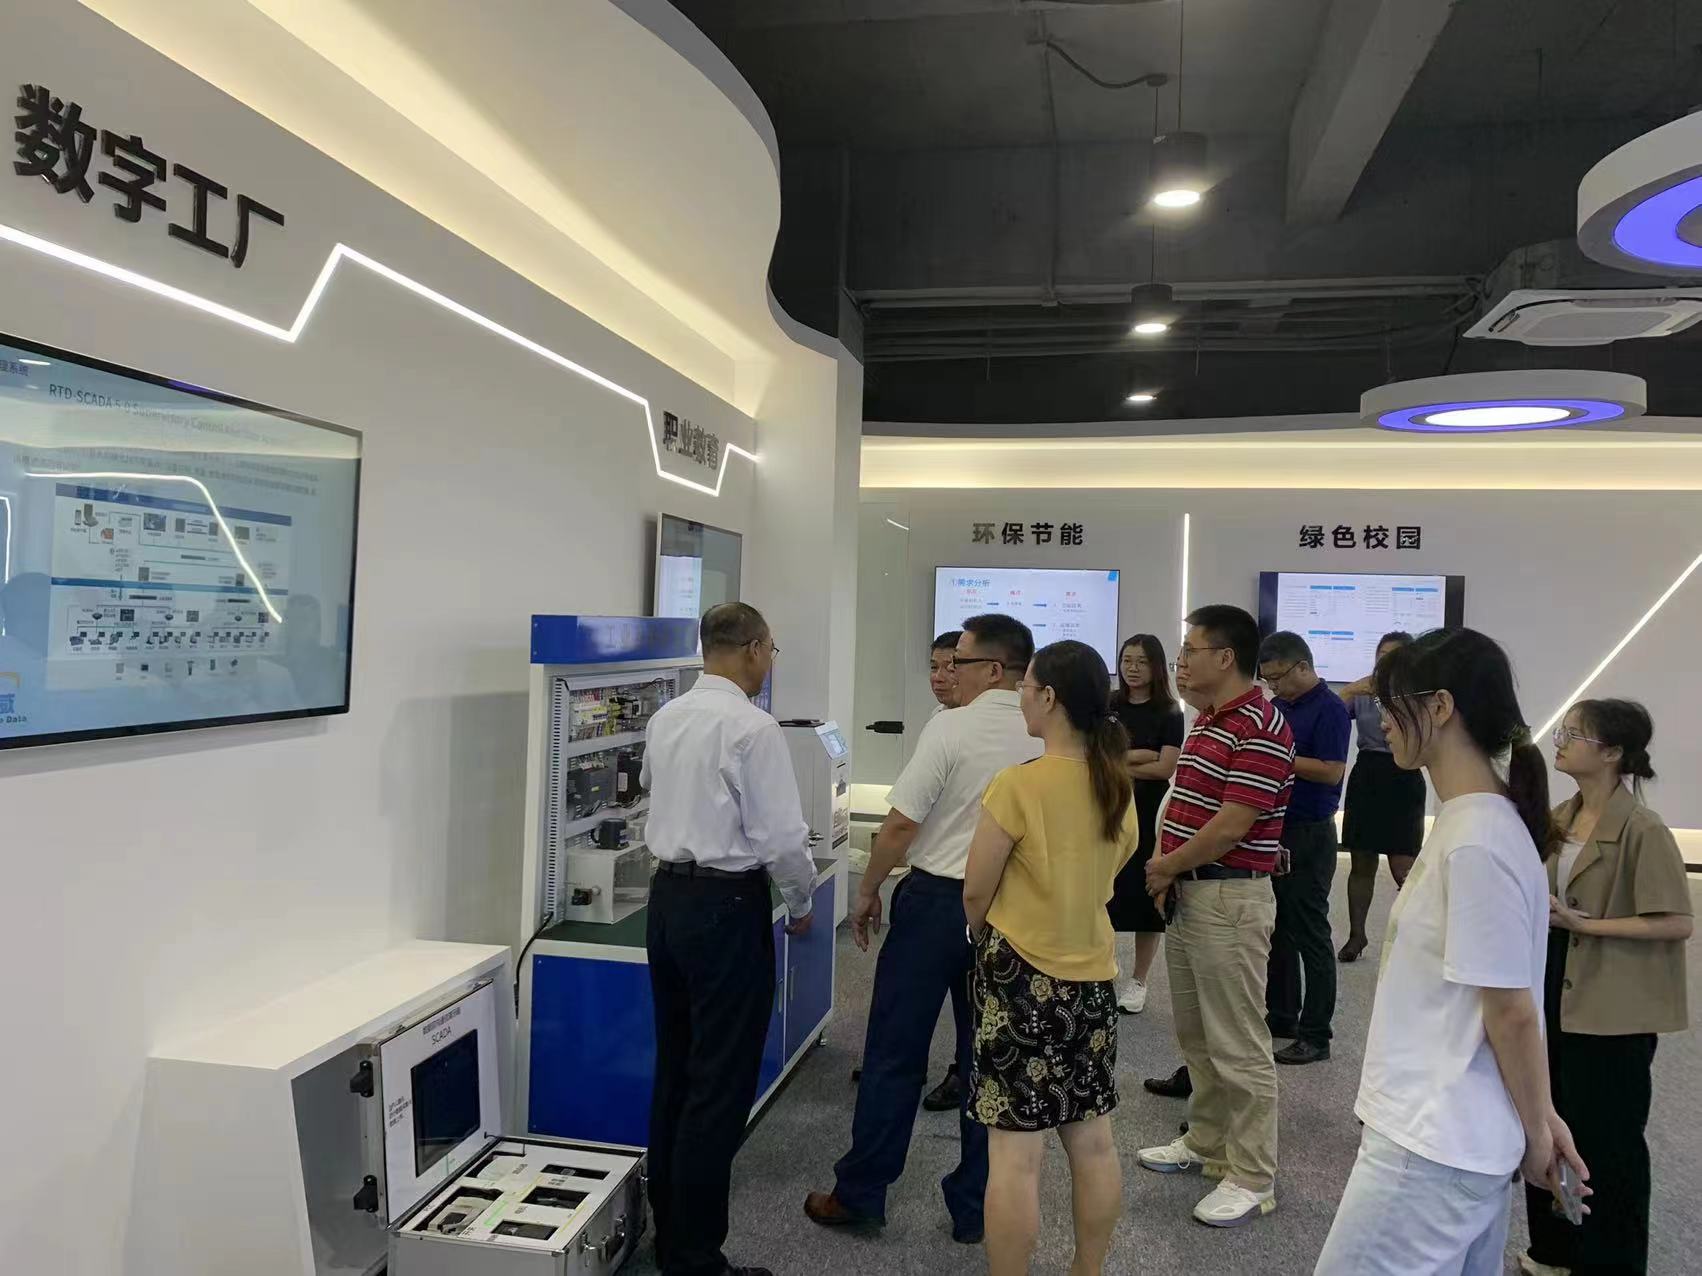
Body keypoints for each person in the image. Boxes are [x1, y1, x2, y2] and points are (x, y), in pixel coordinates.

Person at [1316, 628, 1588, 1276]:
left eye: (1391, 703)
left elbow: (1510, 1011)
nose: (1381, 719)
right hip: (1451, 1134)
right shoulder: (1478, 823)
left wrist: (1539, 1127)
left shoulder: (1477, 840)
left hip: (1432, 1142)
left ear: (1439, 707)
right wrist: (1540, 1117)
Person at [806, 613, 1042, 1242]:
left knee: (894, 1052)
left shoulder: (951, 728)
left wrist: (867, 888)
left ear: (994, 669)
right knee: (989, 1060)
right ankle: (976, 1208)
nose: (948, 673)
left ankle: (862, 1192)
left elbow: (901, 823)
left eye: (959, 662)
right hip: (1010, 913)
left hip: (936, 905)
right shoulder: (1045, 731)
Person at [642, 602, 817, 1276]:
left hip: (668, 901)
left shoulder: (667, 716)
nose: (769, 661)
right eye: (770, 649)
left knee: (677, 1069)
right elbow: (781, 837)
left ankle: (669, 1236)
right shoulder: (752, 727)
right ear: (750, 649)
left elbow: (653, 789)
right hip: (725, 907)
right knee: (719, 1082)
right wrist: (800, 900)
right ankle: (694, 1258)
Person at [961, 640, 1138, 1275]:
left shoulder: (1018, 785)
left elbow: (975, 890)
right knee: (1093, 1143)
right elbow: (1113, 872)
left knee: (1015, 1156)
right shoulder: (1116, 787)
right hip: (1093, 977)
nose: (1021, 698)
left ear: (1050, 698)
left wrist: (981, 936)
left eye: (1026, 687)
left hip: (1019, 978)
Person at [1523, 699, 1692, 1276]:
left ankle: (1611, 1264)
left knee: (1609, 1141)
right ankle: (1554, 1249)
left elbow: (1677, 921)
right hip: (1554, 986)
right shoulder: (1560, 816)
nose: (1561, 742)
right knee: (1550, 1121)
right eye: (1563, 731)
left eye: (1575, 735)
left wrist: (1584, 924)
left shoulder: (1643, 828)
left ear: (1613, 752)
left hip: (1612, 1006)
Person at [1138, 604, 1294, 1228]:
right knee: (1197, 1035)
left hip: (1229, 899)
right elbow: (1184, 803)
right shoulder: (1209, 719)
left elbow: (1233, 824)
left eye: (1190, 650)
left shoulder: (1261, 724)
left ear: (1225, 657)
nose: (1180, 660)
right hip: (1191, 893)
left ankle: (1253, 1175)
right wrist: (1168, 868)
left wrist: (1166, 867)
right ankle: (1207, 1142)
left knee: (1239, 1043)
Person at [1257, 632, 1350, 1065]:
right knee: (1278, 927)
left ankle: (1316, 1033)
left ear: (1303, 667)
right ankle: (1282, 1015)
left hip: (1311, 831)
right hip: (1276, 825)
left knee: (1310, 930)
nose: (1274, 686)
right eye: (1268, 680)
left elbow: (1332, 771)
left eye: (1279, 677)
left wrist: (1276, 756)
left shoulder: (1330, 708)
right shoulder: (1279, 707)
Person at [1336, 632, 1425, 963]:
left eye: (1393, 654)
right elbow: (1332, 717)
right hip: (1368, 773)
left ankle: (1417, 938)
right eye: (1381, 654)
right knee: (1361, 861)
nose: (1385, 660)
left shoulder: (1421, 691)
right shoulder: (1364, 689)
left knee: (1404, 865)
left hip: (1404, 774)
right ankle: (1356, 935)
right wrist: (1349, 691)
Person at [1107, 633, 1184, 1015]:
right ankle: (1102, 970)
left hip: (1149, 807)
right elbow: (1098, 756)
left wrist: (1122, 759)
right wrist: (1142, 755)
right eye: (1127, 660)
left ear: (1155, 666)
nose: (1132, 668)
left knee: (1144, 893)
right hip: (1109, 803)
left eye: (1141, 661)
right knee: (1104, 888)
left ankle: (1138, 981)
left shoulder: (1170, 711)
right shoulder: (1109, 705)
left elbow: (1166, 768)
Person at [922, 627, 967, 1111]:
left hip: (975, 886)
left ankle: (963, 1071)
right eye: (933, 667)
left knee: (971, 995)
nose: (939, 677)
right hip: (932, 878)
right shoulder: (937, 720)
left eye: (951, 667)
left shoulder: (990, 728)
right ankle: (906, 1063)